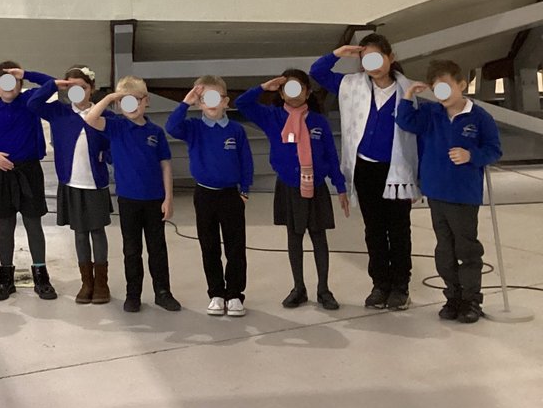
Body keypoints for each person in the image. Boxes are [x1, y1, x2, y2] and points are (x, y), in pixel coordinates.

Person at [311, 34, 418, 310]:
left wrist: (418, 178)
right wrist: (338, 53)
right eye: (366, 59)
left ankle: (400, 286)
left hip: (397, 172)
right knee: (374, 229)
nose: (373, 64)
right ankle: (380, 284)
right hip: (365, 169)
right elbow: (317, 72)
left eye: (378, 57)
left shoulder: (408, 90)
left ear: (390, 57)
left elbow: (420, 137)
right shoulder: (352, 85)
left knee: (399, 229)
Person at [395, 60, 502, 324]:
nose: (440, 94)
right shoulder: (432, 113)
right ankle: (452, 296)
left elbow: (494, 149)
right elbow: (406, 121)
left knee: (466, 248)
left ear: (462, 85)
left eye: (445, 87)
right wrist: (408, 96)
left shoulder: (480, 118)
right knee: (445, 249)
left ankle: (471, 300)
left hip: (464, 194)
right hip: (436, 192)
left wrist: (471, 155)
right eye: (436, 89)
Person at [236, 70, 349, 309]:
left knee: (319, 238)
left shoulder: (318, 121)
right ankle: (298, 287)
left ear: (308, 92)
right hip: (288, 185)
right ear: (281, 92)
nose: (295, 95)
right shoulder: (272, 117)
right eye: (289, 89)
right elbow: (242, 104)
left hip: (316, 186)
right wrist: (263, 87)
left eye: (300, 89)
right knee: (294, 237)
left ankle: (324, 289)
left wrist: (340, 186)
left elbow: (330, 154)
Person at [83, 76, 181, 313]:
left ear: (145, 101)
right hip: (128, 200)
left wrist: (168, 198)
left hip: (154, 199)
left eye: (135, 101)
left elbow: (165, 165)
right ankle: (133, 293)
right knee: (131, 249)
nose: (131, 107)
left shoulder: (155, 132)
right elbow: (90, 118)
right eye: (125, 102)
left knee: (157, 248)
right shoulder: (115, 127)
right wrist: (109, 98)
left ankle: (163, 291)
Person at [166, 76, 253, 316]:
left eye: (216, 98)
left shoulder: (236, 130)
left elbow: (246, 160)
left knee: (235, 247)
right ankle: (216, 292)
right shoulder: (193, 128)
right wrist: (185, 102)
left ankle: (235, 294)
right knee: (209, 245)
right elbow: (172, 127)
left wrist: (244, 189)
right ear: (200, 103)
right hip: (204, 195)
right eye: (206, 99)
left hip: (231, 196)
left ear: (226, 101)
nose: (212, 104)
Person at [28, 66, 113, 304]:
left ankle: (101, 282)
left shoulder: (104, 115)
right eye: (73, 88)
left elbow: (114, 141)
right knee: (79, 232)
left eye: (83, 88)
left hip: (94, 183)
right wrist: (53, 85)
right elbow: (33, 104)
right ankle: (86, 282)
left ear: (92, 89)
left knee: (97, 231)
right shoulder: (59, 112)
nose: (78, 92)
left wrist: (106, 155)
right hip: (71, 182)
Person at [0, 62, 57, 301]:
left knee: (34, 224)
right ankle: (5, 276)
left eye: (14, 81)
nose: (8, 86)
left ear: (20, 84)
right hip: (3, 174)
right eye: (3, 81)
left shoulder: (30, 102)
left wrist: (25, 73)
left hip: (29, 172)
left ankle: (41, 274)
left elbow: (51, 83)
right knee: (5, 226)